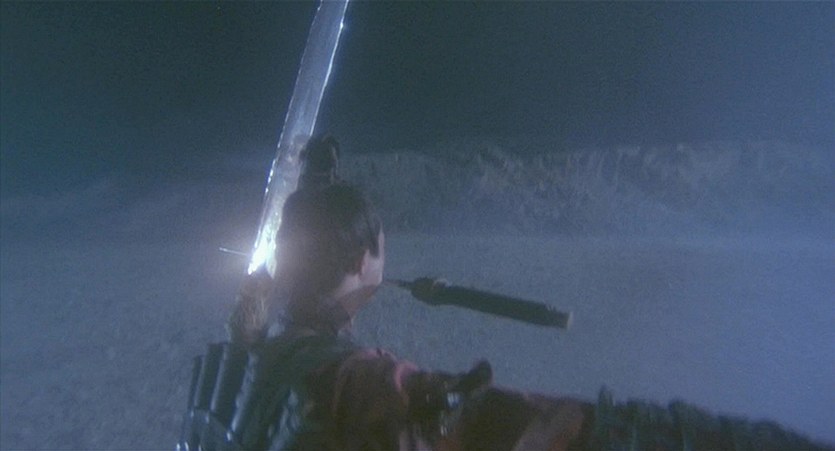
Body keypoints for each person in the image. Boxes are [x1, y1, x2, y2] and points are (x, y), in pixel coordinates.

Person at [179, 137, 831, 451]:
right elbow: (539, 432)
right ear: (359, 259)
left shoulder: (257, 346)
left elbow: (307, 245)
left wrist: (315, 178)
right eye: (379, 245)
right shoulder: (363, 383)